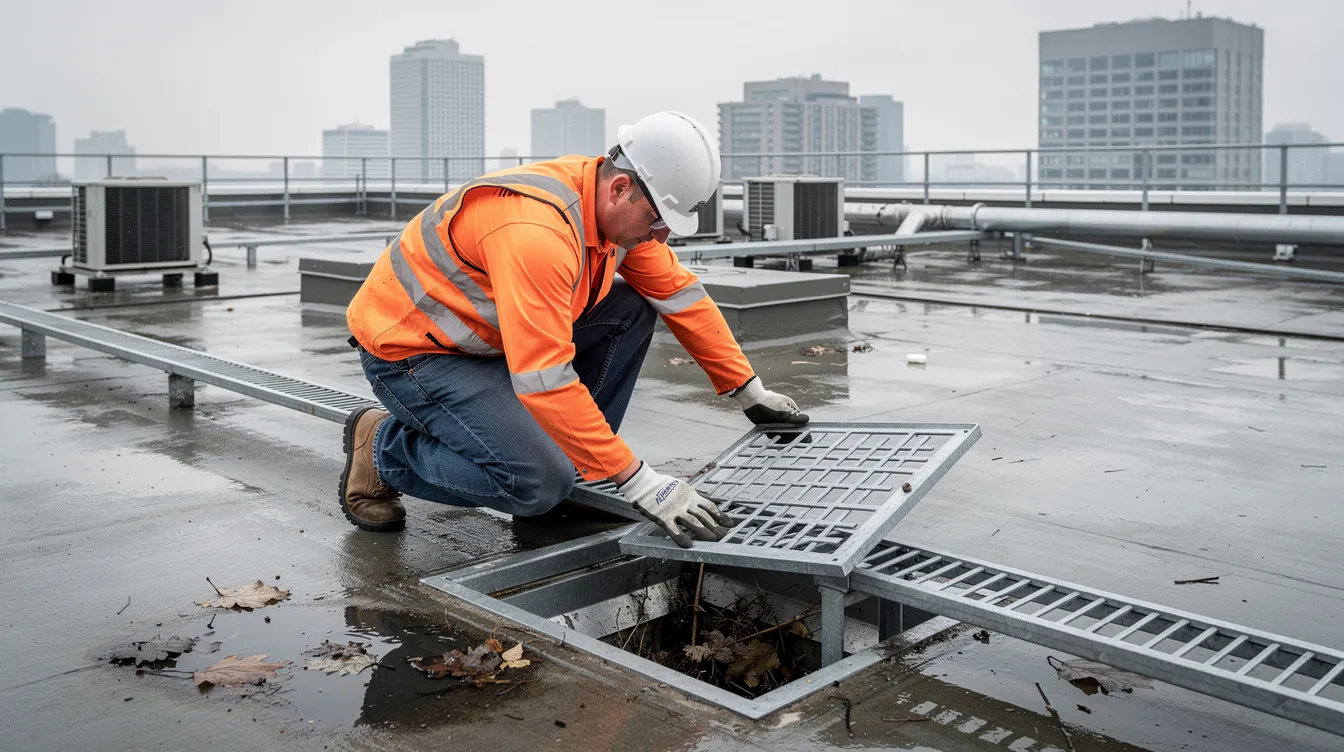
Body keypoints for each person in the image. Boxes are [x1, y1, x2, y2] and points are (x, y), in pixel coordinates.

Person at [340, 111, 807, 547]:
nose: (661, 236)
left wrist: (747, 389)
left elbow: (680, 294)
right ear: (620, 188)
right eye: (658, 221)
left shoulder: (609, 208)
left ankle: (578, 459)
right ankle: (382, 451)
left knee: (631, 309)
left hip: (490, 342)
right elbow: (544, 378)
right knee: (538, 483)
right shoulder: (535, 234)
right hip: (415, 354)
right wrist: (637, 479)